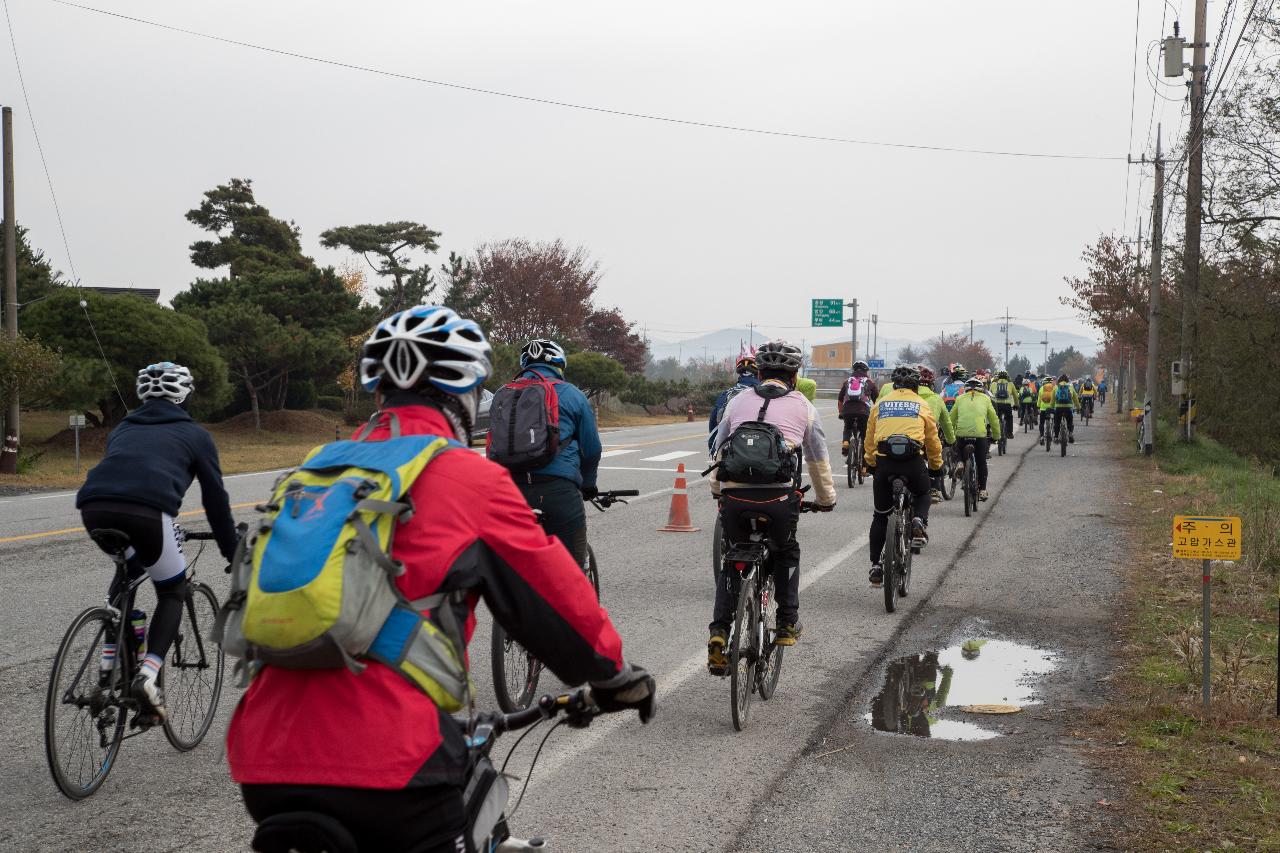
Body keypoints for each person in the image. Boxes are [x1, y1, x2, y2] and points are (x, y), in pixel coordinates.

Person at [227, 306, 655, 853]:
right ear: (465, 394)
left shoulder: (315, 470)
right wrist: (615, 676)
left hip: (265, 760)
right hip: (396, 759)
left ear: (378, 391)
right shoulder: (466, 476)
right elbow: (556, 602)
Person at [76, 362, 239, 722]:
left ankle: (109, 667)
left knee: (130, 570)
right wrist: (232, 550)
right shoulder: (195, 434)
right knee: (172, 590)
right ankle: (147, 676)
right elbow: (215, 501)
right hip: (149, 513)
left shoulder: (123, 427)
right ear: (186, 395)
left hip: (93, 508)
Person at [707, 340, 835, 672]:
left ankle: (719, 633)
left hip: (734, 498)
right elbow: (818, 460)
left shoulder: (737, 401)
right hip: (778, 499)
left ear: (759, 372)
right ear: (794, 375)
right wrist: (826, 500)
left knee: (731, 557)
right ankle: (788, 622)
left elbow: (719, 449)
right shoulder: (804, 405)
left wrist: (717, 490)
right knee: (786, 549)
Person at [506, 338, 603, 568]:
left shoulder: (505, 393)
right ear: (559, 366)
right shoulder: (572, 394)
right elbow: (591, 449)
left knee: (513, 571)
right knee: (574, 569)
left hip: (511, 492)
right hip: (558, 490)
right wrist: (588, 484)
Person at [863, 365, 943, 588]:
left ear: (894, 385)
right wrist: (936, 466)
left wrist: (870, 463)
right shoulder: (922, 404)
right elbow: (933, 441)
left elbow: (869, 439)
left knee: (880, 516)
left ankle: (876, 565)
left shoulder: (881, 403)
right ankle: (918, 520)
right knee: (924, 492)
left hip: (885, 462)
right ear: (916, 385)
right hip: (912, 462)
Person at [949, 378, 1002, 501]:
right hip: (979, 435)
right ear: (981, 389)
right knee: (981, 462)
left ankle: (960, 462)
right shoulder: (986, 399)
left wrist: (950, 435)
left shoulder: (960, 399)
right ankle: (982, 490)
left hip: (962, 433)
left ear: (966, 389)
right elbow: (994, 419)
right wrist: (996, 436)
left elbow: (951, 418)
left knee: (958, 446)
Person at [914, 364, 954, 503]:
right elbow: (946, 423)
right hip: (928, 436)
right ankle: (935, 489)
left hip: (910, 436)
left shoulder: (911, 396)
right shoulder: (936, 398)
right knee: (934, 457)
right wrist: (951, 440)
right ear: (932, 384)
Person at [708, 351, 759, 452]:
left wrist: (714, 451)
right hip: (762, 451)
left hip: (731, 452)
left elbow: (713, 426)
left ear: (739, 374)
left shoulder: (726, 394)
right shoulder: (767, 394)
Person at [837, 360, 879, 457]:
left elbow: (840, 399)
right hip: (863, 411)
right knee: (865, 437)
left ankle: (846, 442)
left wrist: (841, 412)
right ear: (866, 371)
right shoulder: (869, 382)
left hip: (847, 410)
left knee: (847, 427)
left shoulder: (847, 381)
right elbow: (877, 401)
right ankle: (864, 468)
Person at [1050, 372, 1081, 443]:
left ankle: (1056, 437)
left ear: (1059, 381)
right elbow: (1075, 398)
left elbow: (1052, 400)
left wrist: (1051, 407)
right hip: (1068, 407)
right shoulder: (1070, 387)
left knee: (1057, 422)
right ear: (1067, 380)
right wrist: (1078, 407)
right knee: (1070, 421)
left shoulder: (1056, 387)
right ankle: (1070, 433)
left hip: (1058, 408)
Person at [988, 370, 1017, 440]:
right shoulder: (1010, 384)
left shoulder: (993, 384)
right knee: (1009, 417)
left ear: (998, 377)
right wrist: (1016, 404)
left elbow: (989, 395)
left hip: (997, 404)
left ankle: (994, 433)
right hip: (1007, 405)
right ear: (1006, 377)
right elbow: (1015, 395)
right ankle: (1009, 433)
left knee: (995, 419)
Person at [1037, 373, 1057, 439]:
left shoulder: (1041, 389)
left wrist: (1038, 407)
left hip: (1043, 408)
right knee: (1056, 421)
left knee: (1042, 423)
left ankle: (1042, 436)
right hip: (1052, 408)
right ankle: (1054, 433)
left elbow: (1039, 399)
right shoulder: (1055, 387)